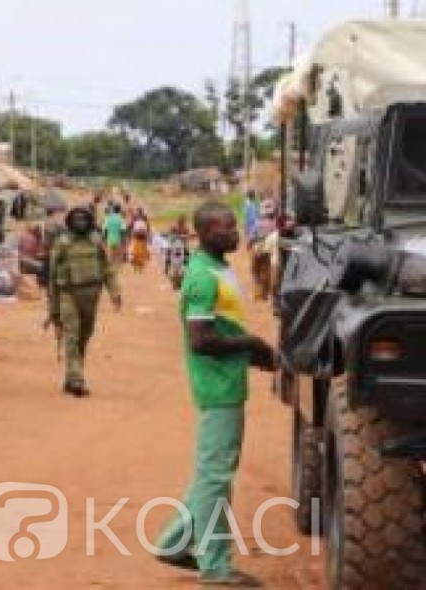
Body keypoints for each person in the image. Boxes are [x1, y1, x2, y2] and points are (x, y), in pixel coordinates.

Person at [154, 200, 276, 587]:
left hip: (228, 381)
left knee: (213, 472)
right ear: (203, 233)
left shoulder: (220, 269)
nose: (233, 232)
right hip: (217, 385)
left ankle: (173, 543)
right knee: (216, 476)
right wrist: (251, 345)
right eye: (224, 227)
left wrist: (252, 353)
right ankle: (216, 566)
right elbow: (202, 339)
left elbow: (222, 327)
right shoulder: (202, 277)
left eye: (233, 225)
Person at [46, 207, 121, 396]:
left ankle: (71, 377)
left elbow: (107, 269)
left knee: (84, 336)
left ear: (89, 221)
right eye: (76, 219)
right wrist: (53, 308)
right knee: (71, 336)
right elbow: (52, 277)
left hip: (91, 297)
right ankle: (77, 379)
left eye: (84, 219)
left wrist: (114, 292)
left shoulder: (96, 241)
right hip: (69, 295)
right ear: (70, 222)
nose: (80, 222)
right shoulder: (62, 243)